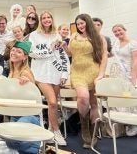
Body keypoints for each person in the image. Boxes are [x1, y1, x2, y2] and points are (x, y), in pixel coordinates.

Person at [65, 13, 107, 148]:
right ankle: (85, 128)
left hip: (93, 72)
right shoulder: (74, 36)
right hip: (77, 72)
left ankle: (93, 133)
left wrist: (100, 74)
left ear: (87, 22)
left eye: (82, 23)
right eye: (78, 24)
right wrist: (63, 46)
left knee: (94, 104)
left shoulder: (99, 37)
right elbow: (70, 53)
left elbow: (104, 56)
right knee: (83, 97)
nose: (80, 26)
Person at [29, 11, 69, 146]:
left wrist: (64, 74)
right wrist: (49, 50)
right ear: (40, 20)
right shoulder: (34, 35)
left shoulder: (56, 35)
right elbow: (31, 53)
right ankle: (57, 132)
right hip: (40, 74)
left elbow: (63, 57)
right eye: (44, 17)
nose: (46, 19)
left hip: (56, 73)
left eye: (49, 17)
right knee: (52, 102)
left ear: (52, 19)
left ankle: (50, 131)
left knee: (54, 104)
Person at [6, 41, 41, 154]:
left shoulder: (25, 72)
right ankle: (34, 144)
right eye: (13, 50)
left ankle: (36, 144)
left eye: (19, 51)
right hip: (15, 113)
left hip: (29, 114)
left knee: (12, 140)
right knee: (10, 142)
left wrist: (29, 85)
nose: (14, 52)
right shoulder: (11, 71)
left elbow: (36, 96)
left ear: (25, 57)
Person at [110, 24, 137, 136]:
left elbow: (135, 60)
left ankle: (132, 123)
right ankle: (121, 124)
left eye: (119, 30)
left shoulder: (132, 43)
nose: (117, 33)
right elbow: (110, 55)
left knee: (128, 97)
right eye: (115, 31)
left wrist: (133, 76)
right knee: (118, 99)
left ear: (124, 30)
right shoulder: (116, 43)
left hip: (128, 75)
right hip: (116, 75)